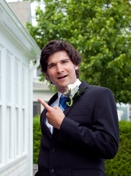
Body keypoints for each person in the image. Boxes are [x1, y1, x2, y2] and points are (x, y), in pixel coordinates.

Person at [36, 39, 120, 176]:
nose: (59, 69)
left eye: (64, 62)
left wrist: (63, 124)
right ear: (47, 74)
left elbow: (109, 147)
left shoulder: (100, 95)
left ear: (75, 64)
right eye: (52, 65)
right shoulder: (48, 109)